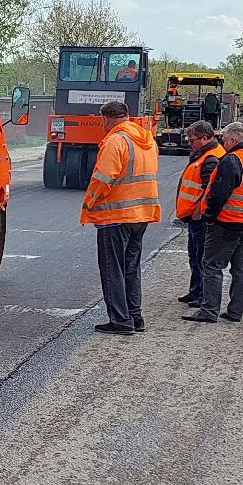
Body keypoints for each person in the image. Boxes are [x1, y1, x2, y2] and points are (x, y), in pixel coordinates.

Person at [82, 99, 161, 335]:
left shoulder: (116, 141)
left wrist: (90, 201)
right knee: (131, 268)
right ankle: (135, 317)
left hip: (116, 215)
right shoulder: (147, 140)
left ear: (106, 119)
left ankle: (120, 320)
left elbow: (104, 177)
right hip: (142, 214)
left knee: (112, 269)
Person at [186, 121, 243, 323]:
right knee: (240, 268)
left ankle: (209, 310)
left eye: (224, 138)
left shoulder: (231, 160)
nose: (223, 142)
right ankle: (235, 311)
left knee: (212, 265)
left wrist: (209, 218)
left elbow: (219, 193)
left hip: (227, 221)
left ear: (233, 139)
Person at [175, 121, 225, 306]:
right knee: (195, 255)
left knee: (201, 256)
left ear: (205, 138)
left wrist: (198, 212)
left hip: (201, 217)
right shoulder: (204, 154)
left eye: (192, 139)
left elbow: (209, 190)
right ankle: (196, 290)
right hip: (195, 216)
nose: (190, 143)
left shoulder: (211, 158)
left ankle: (202, 294)